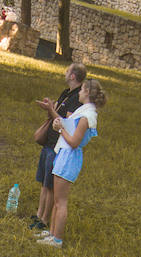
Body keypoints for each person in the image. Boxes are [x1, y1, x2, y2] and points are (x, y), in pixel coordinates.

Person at [37, 78, 106, 248]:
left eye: (82, 90)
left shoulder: (86, 116)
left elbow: (75, 142)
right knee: (57, 200)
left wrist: (60, 129)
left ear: (87, 93)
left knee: (61, 202)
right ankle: (51, 233)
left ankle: (57, 240)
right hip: (64, 155)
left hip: (69, 158)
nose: (80, 92)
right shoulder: (83, 111)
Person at [30, 64, 86, 234]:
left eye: (67, 71)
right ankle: (39, 214)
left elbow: (66, 123)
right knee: (43, 182)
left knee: (50, 185)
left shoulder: (76, 98)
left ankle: (45, 219)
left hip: (58, 145)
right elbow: (57, 114)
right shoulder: (66, 92)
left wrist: (51, 111)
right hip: (49, 141)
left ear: (73, 76)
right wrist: (50, 107)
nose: (65, 73)